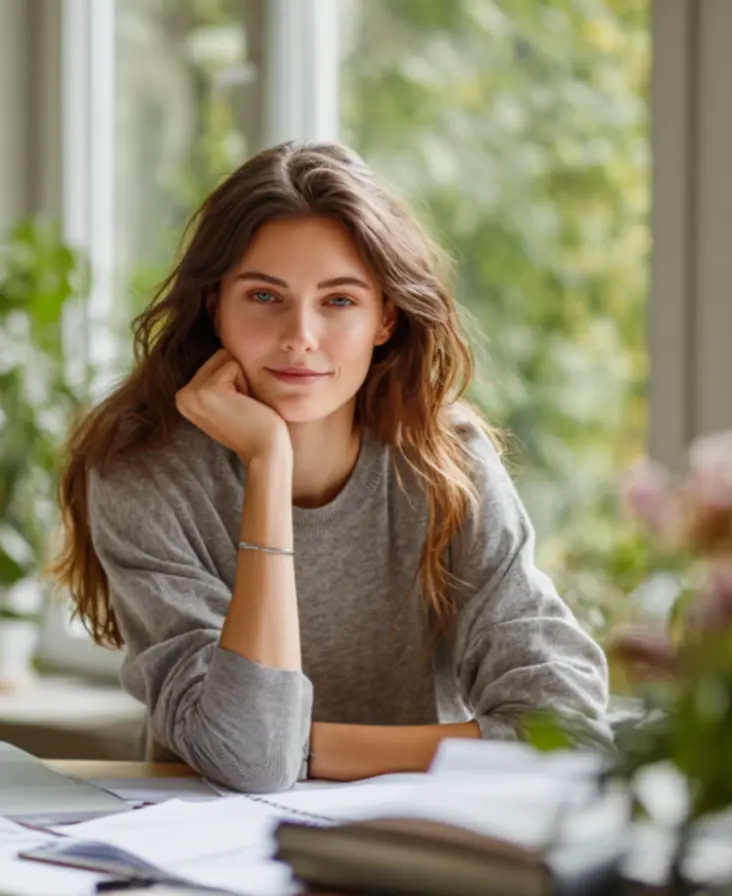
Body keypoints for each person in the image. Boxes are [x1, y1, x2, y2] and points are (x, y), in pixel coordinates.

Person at [50, 141, 611, 794]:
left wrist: (307, 748)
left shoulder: (446, 464)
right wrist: (268, 461)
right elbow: (253, 761)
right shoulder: (144, 475)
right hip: (202, 839)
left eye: (339, 300)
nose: (299, 335)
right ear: (214, 307)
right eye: (264, 295)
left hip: (409, 835)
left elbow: (568, 731)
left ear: (386, 317)